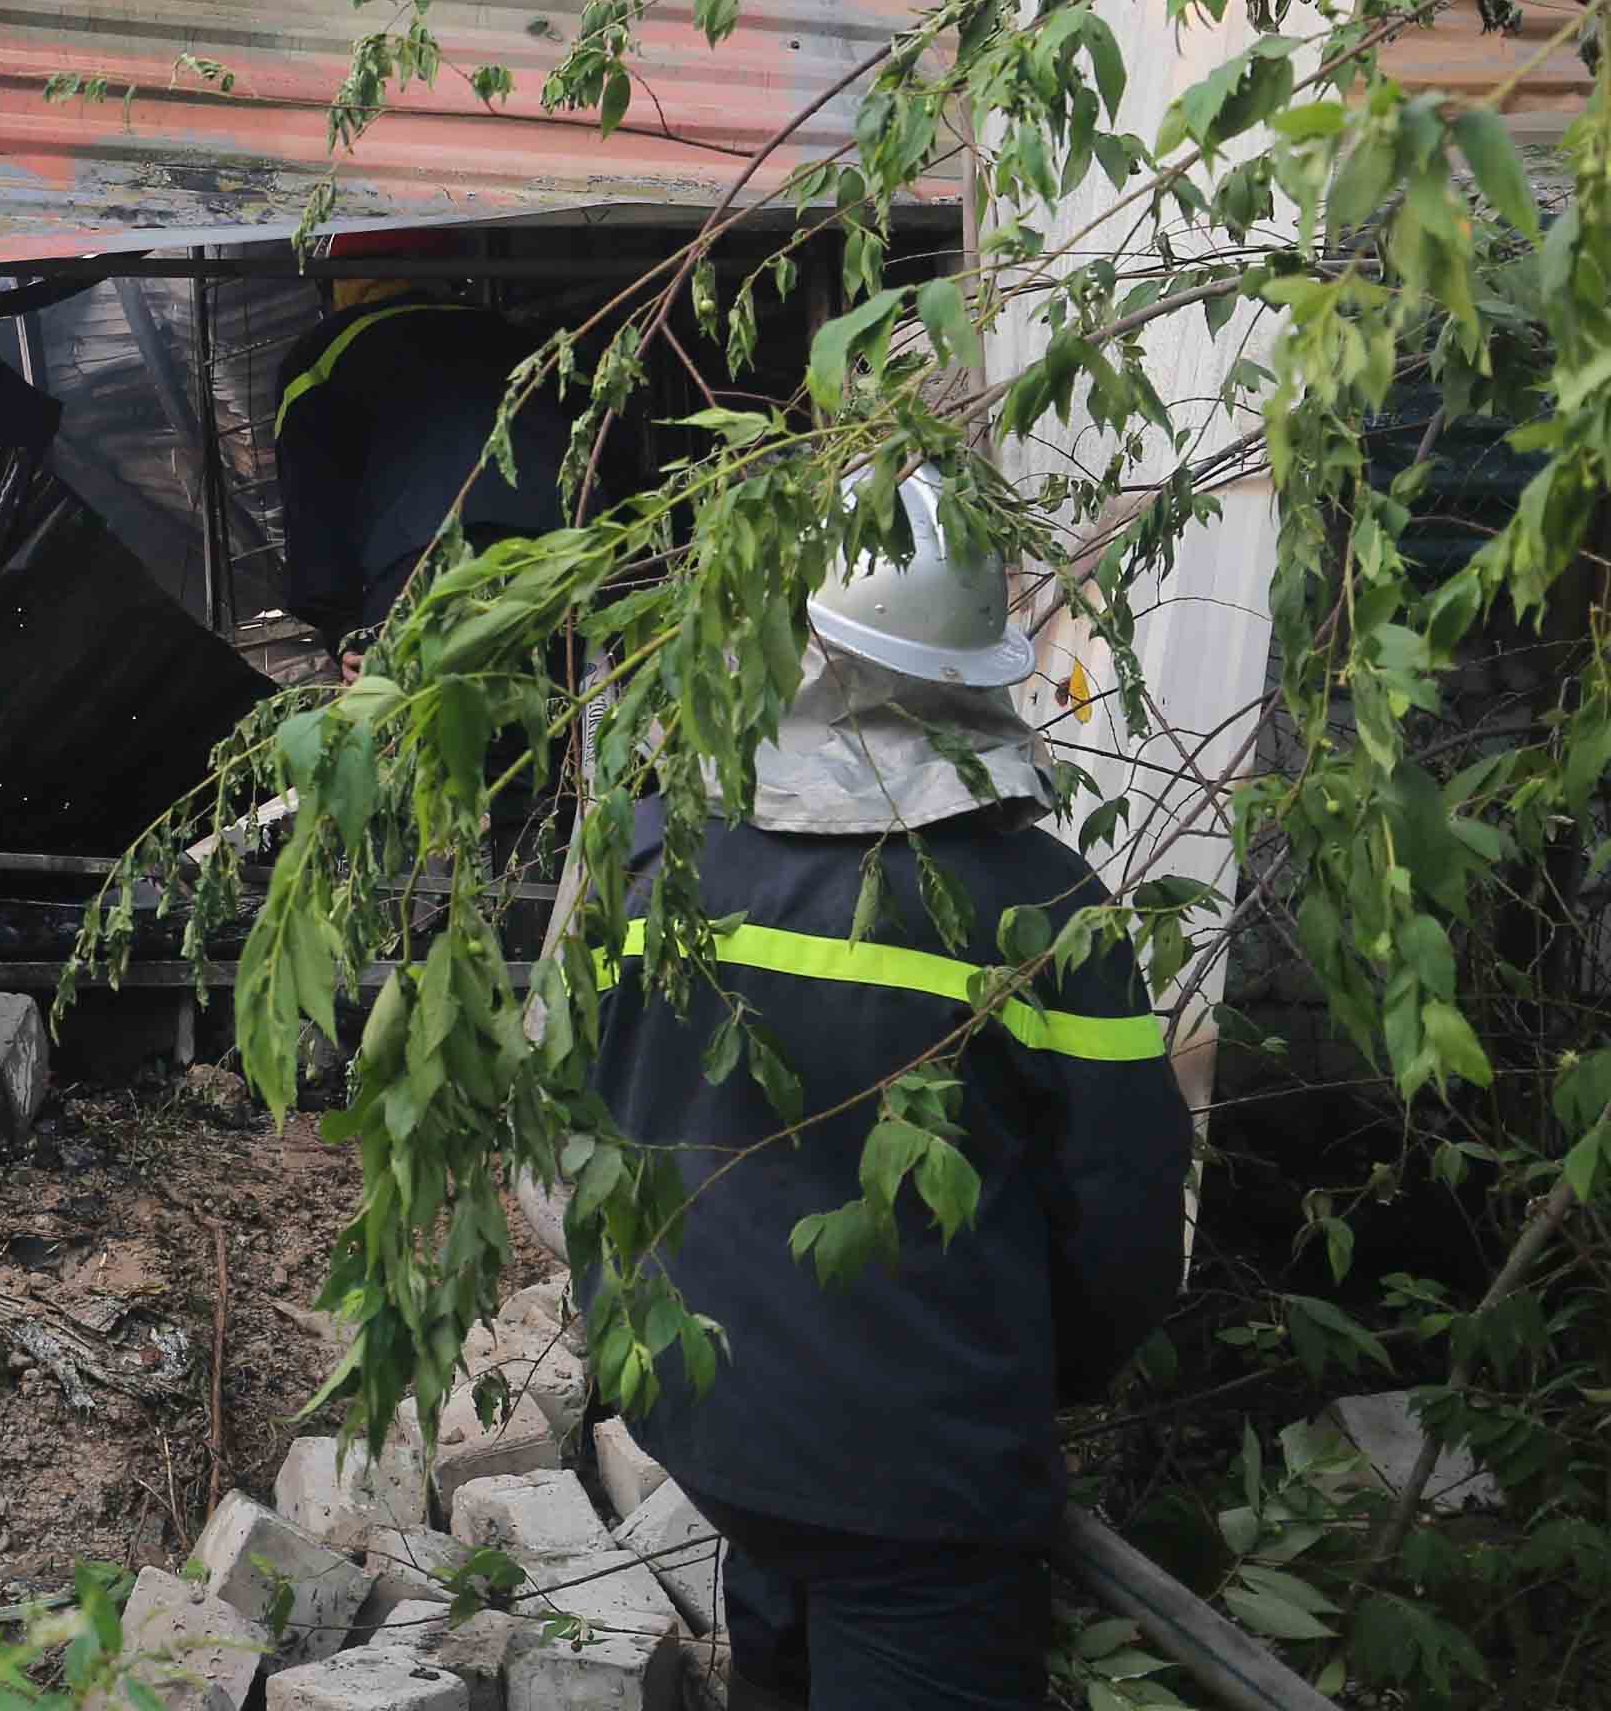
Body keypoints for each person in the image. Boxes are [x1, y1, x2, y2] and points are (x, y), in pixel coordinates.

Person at [593, 467, 1192, 1711]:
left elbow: (599, 1112)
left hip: (708, 1420)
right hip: (914, 1477)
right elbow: (1124, 1217)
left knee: (782, 1642)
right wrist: (1030, 1385)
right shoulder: (1035, 910)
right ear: (970, 677)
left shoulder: (658, 858)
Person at [271, 286, 575, 681]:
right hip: (564, 555)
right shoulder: (517, 333)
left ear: (338, 286)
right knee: (566, 720)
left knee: (442, 731)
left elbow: (315, 505)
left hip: (420, 570)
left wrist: (345, 629)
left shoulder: (323, 351)